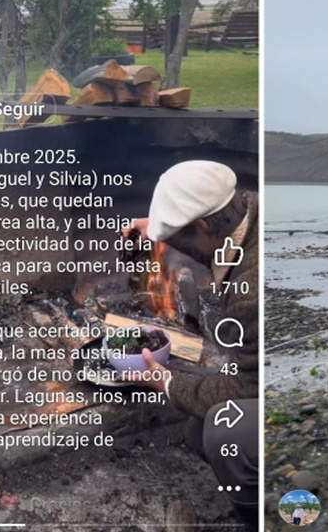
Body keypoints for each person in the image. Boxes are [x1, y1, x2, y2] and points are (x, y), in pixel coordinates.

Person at [121, 160, 260, 525]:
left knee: (221, 428)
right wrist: (161, 228)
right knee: (199, 428)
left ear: (202, 225)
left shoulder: (253, 292)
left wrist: (167, 383)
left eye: (181, 237)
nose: (175, 247)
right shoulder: (250, 209)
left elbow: (248, 386)